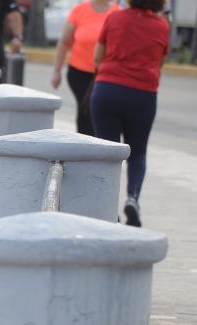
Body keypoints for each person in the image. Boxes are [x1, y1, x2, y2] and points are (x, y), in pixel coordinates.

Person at [90, 0, 168, 227]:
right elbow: (159, 64)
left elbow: (97, 57)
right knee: (138, 153)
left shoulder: (114, 18)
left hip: (108, 91)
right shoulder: (162, 26)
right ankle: (133, 198)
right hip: (143, 95)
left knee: (108, 153)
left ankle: (108, 208)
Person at [51, 0, 122, 136]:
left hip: (106, 74)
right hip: (79, 72)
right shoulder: (80, 10)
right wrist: (56, 72)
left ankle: (98, 142)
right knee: (86, 109)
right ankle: (84, 142)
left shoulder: (117, 12)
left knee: (100, 111)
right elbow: (64, 43)